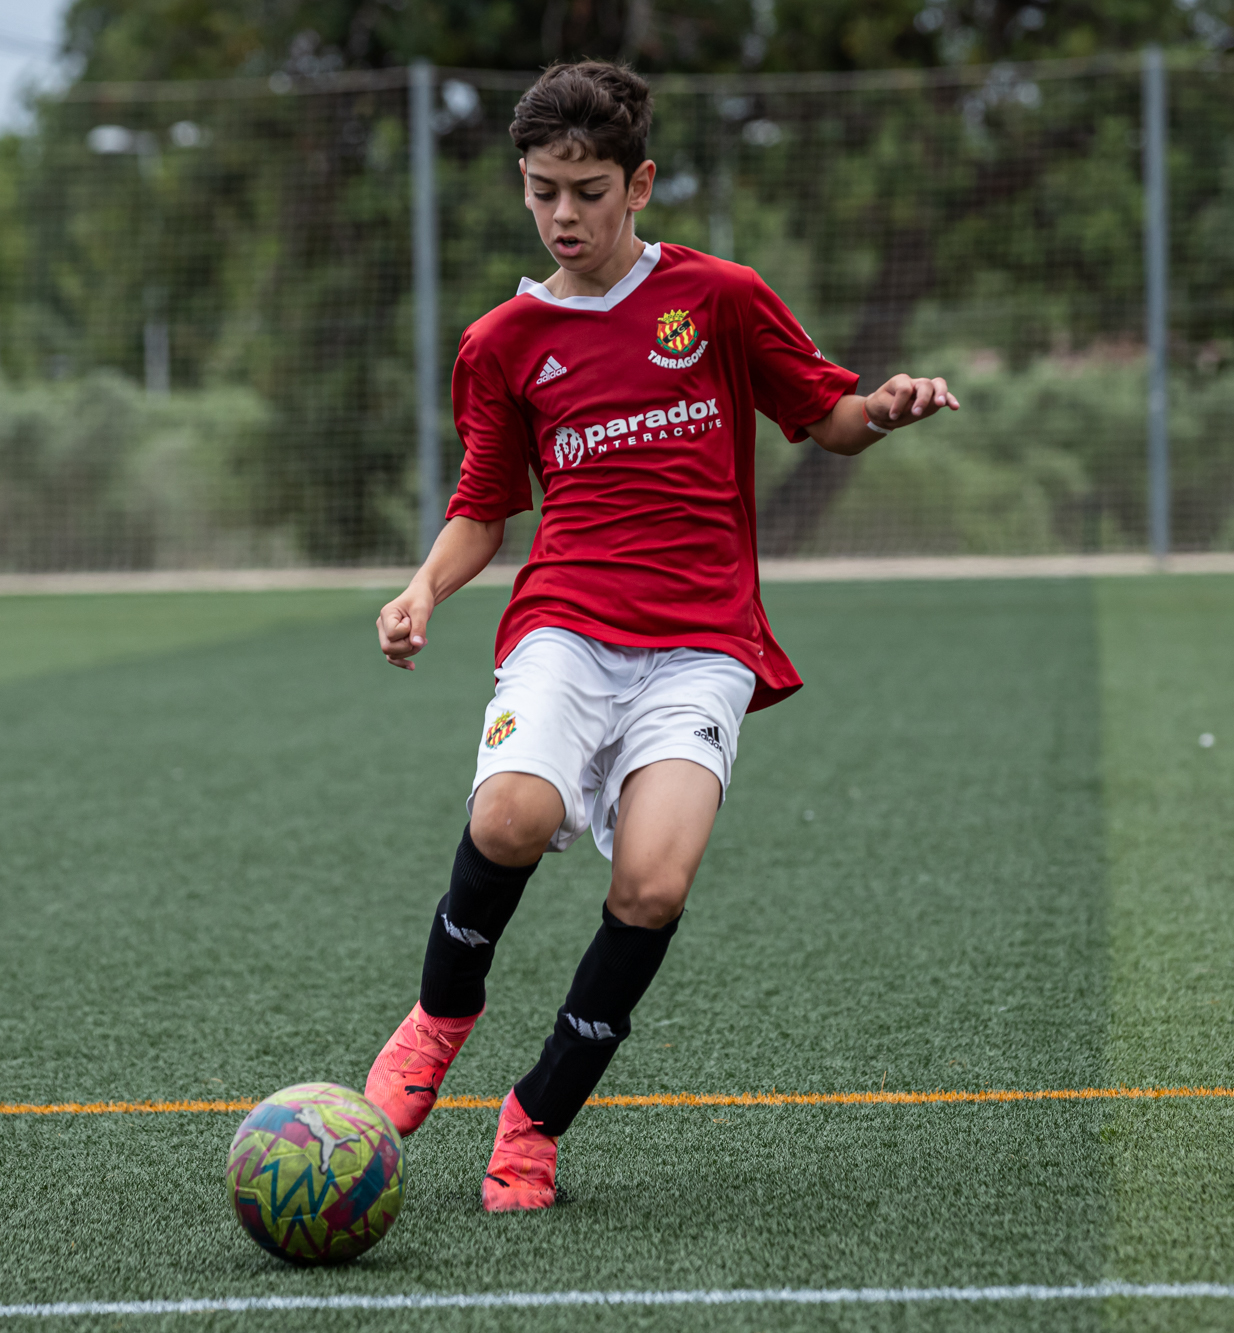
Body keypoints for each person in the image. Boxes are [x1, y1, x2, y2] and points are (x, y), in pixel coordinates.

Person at [364, 61, 960, 1213]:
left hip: (701, 641)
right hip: (566, 621)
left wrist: (881, 410)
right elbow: (484, 506)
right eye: (541, 191)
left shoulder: (720, 298)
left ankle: (534, 1121)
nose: (562, 215)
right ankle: (438, 1017)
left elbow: (825, 417)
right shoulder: (500, 342)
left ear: (637, 185)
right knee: (508, 814)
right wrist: (422, 590)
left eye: (587, 191)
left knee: (650, 885)